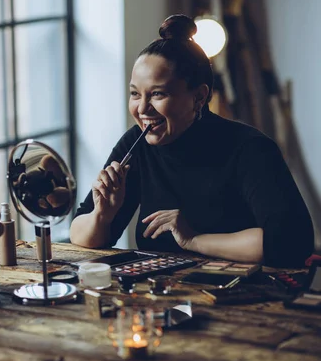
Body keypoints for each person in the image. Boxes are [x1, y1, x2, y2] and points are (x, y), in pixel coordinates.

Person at [69, 14, 314, 268]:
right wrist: (101, 216)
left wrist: (194, 240)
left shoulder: (251, 149)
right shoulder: (137, 143)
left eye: (157, 94)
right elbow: (79, 231)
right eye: (134, 93)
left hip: (244, 296)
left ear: (199, 97)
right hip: (161, 298)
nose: (142, 108)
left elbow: (292, 242)